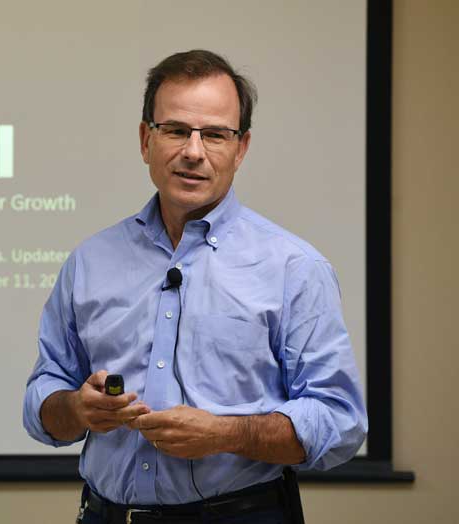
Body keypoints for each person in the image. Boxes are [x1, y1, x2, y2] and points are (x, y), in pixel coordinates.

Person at [23, 50, 367, 524]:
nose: (193, 151)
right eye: (177, 130)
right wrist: (79, 409)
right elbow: (44, 400)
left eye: (215, 135)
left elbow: (339, 421)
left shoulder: (294, 268)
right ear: (146, 140)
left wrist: (227, 434)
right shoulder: (89, 261)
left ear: (241, 148)